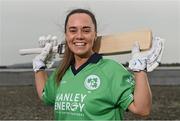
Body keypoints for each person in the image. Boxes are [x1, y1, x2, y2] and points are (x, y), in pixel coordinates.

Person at [33, 8, 164, 120]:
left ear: (95, 35)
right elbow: (46, 96)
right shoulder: (62, 72)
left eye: (86, 30)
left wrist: (140, 70)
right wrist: (39, 67)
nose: (79, 36)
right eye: (73, 30)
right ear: (66, 35)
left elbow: (142, 109)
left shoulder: (111, 70)